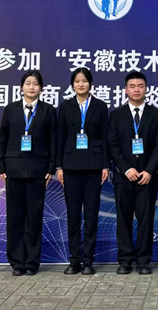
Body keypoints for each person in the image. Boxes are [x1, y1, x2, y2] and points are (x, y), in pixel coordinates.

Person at [0, 70, 57, 276]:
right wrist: (1, 167)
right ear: (21, 87)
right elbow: (2, 139)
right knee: (15, 218)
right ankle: (16, 262)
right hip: (13, 170)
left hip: (38, 171)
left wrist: (50, 168)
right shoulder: (10, 109)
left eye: (36, 84)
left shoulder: (48, 111)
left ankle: (31, 262)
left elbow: (53, 141)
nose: (32, 87)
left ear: (41, 88)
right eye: (28, 83)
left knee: (34, 218)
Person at [108, 71, 158, 275]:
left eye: (140, 86)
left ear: (146, 89)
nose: (136, 89)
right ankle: (125, 261)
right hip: (124, 177)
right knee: (123, 219)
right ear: (126, 90)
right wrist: (126, 169)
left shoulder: (155, 114)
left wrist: (149, 170)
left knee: (145, 220)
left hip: (147, 178)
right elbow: (112, 145)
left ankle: (143, 261)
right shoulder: (116, 115)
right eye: (132, 86)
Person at [56, 67, 109, 276]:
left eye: (84, 81)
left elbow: (105, 137)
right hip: (70, 167)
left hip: (94, 167)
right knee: (73, 216)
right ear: (72, 85)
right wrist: (59, 166)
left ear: (90, 84)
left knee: (91, 215)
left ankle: (88, 260)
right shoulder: (65, 106)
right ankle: (74, 260)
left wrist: (105, 165)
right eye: (77, 81)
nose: (81, 84)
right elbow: (60, 137)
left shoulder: (100, 106)